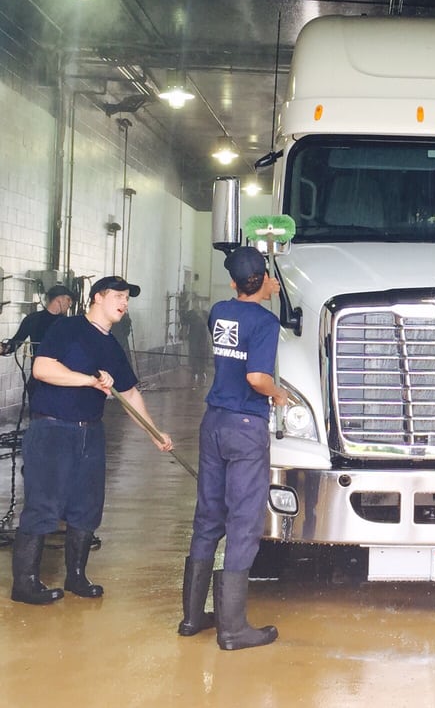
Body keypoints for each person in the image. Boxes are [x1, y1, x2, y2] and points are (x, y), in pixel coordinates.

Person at [10, 276, 173, 605]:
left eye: (127, 297)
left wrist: (155, 432)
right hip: (53, 430)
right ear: (97, 297)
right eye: (118, 295)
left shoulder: (112, 345)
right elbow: (42, 369)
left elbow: (129, 392)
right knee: (44, 504)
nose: (124, 302)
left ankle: (77, 577)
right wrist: (89, 380)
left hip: (90, 432)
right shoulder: (67, 329)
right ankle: (25, 583)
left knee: (87, 505)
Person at [179, 246, 287, 651]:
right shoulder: (266, 321)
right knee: (243, 522)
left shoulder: (218, 312)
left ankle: (192, 618)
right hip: (245, 423)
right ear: (265, 280)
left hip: (214, 422)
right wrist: (277, 395)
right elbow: (257, 375)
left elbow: (234, 330)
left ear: (232, 283)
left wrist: (254, 291)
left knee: (208, 516)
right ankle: (234, 629)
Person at [0, 284, 75, 357]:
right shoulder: (33, 319)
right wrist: (3, 349)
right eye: (68, 299)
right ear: (59, 299)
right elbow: (16, 342)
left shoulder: (68, 323)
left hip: (61, 368)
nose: (70, 304)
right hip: (39, 367)